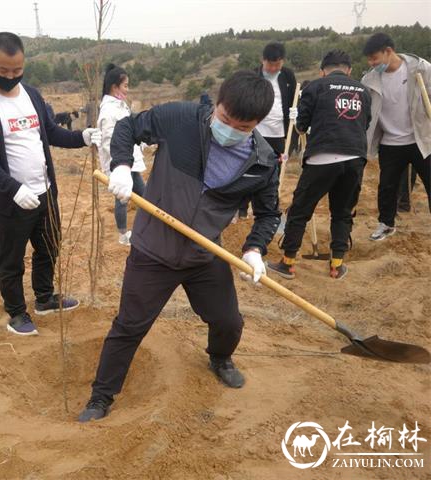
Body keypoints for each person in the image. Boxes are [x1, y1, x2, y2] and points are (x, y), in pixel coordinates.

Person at [78, 71, 280, 422]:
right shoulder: (181, 119)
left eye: (242, 127)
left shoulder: (262, 162)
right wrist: (122, 166)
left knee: (228, 322)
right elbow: (127, 127)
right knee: (129, 326)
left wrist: (254, 249)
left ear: (257, 124)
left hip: (204, 253)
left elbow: (268, 213)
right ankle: (101, 396)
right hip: (153, 250)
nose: (229, 129)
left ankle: (219, 357)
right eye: (224, 119)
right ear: (217, 104)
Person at [0, 32, 101, 336]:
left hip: (45, 191)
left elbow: (49, 132)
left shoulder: (32, 95)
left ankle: (44, 297)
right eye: (3, 71)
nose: (10, 77)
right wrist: (13, 188)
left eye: (16, 70)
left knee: (49, 246)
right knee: (11, 258)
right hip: (11, 199)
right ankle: (16, 312)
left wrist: (81, 137)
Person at [267, 50, 372, 280]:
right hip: (355, 158)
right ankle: (336, 265)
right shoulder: (363, 91)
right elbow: (365, 123)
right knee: (342, 213)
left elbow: (302, 126)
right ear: (349, 69)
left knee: (300, 211)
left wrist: (301, 121)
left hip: (322, 157)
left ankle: (288, 263)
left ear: (323, 70)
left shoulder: (316, 86)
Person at [361, 33, 431, 241]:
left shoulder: (421, 69)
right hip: (390, 142)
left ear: (388, 52)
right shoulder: (369, 80)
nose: (372, 63)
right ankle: (386, 224)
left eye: (375, 58)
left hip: (421, 139)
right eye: (369, 59)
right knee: (387, 186)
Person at [238, 42, 297, 218]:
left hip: (279, 133)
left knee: (275, 170)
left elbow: (294, 98)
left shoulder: (287, 76)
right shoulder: (253, 76)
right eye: (270, 64)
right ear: (262, 60)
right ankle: (241, 208)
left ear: (282, 62)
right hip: (255, 131)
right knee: (248, 169)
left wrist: (295, 112)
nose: (273, 68)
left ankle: (268, 208)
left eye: (277, 64)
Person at [98, 63, 147, 246]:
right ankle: (123, 234)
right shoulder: (109, 110)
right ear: (114, 87)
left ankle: (149, 225)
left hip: (130, 160)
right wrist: (117, 166)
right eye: (125, 85)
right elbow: (109, 139)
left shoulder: (120, 106)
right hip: (121, 162)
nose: (128, 89)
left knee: (143, 194)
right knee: (122, 197)